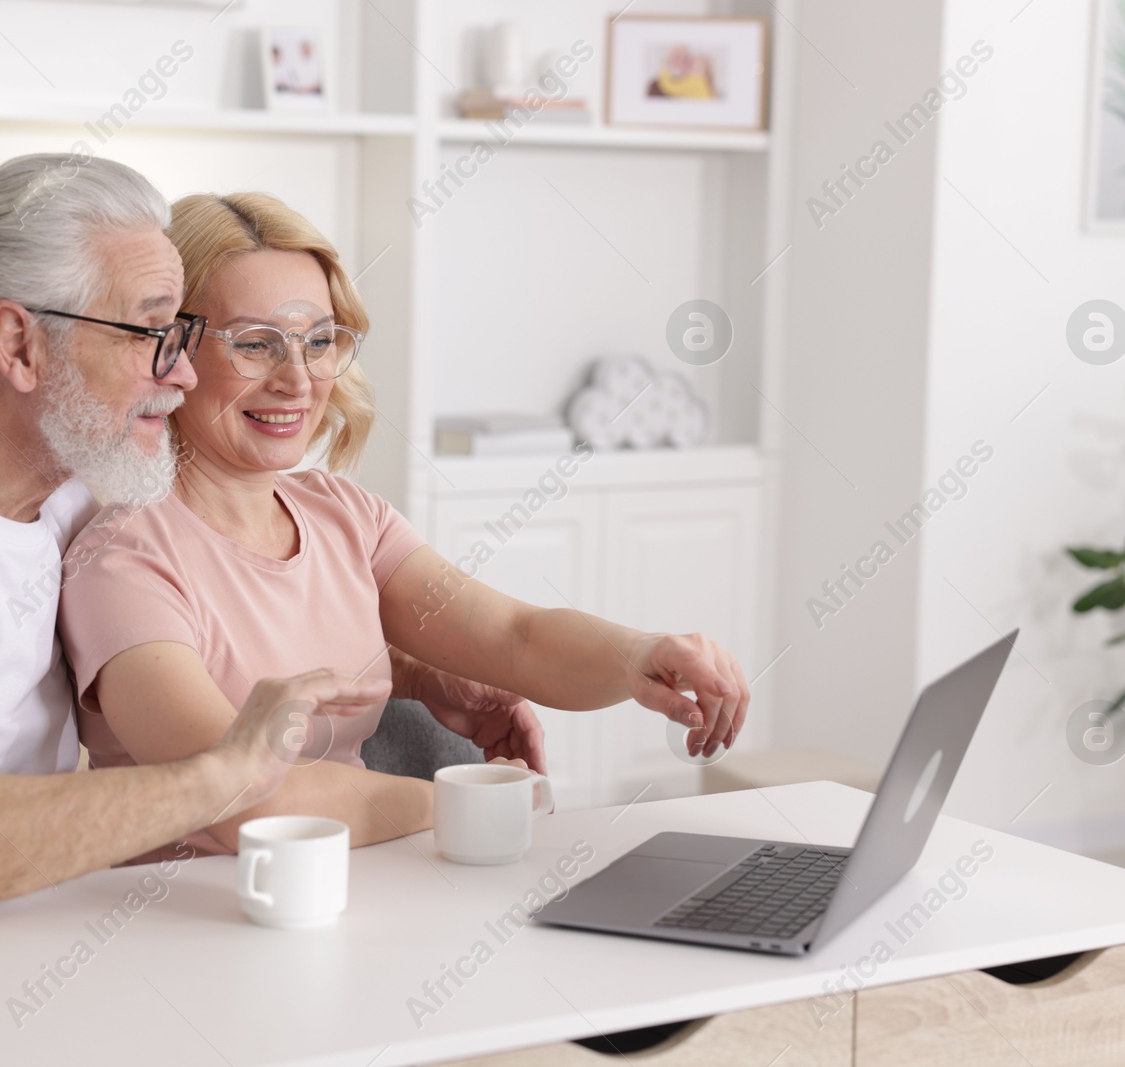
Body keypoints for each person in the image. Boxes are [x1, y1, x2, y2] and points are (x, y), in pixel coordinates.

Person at [0, 154, 484, 929]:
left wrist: (411, 673)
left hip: (1, 942)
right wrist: (220, 778)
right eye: (151, 331)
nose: (180, 377)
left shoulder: (67, 489)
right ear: (19, 345)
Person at [57, 191, 751, 861]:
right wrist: (463, 803)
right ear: (170, 350)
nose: (298, 379)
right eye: (256, 344)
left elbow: (517, 637)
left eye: (319, 340)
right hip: (182, 926)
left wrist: (640, 657)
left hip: (363, 894)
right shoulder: (123, 562)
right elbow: (238, 800)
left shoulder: (344, 516)